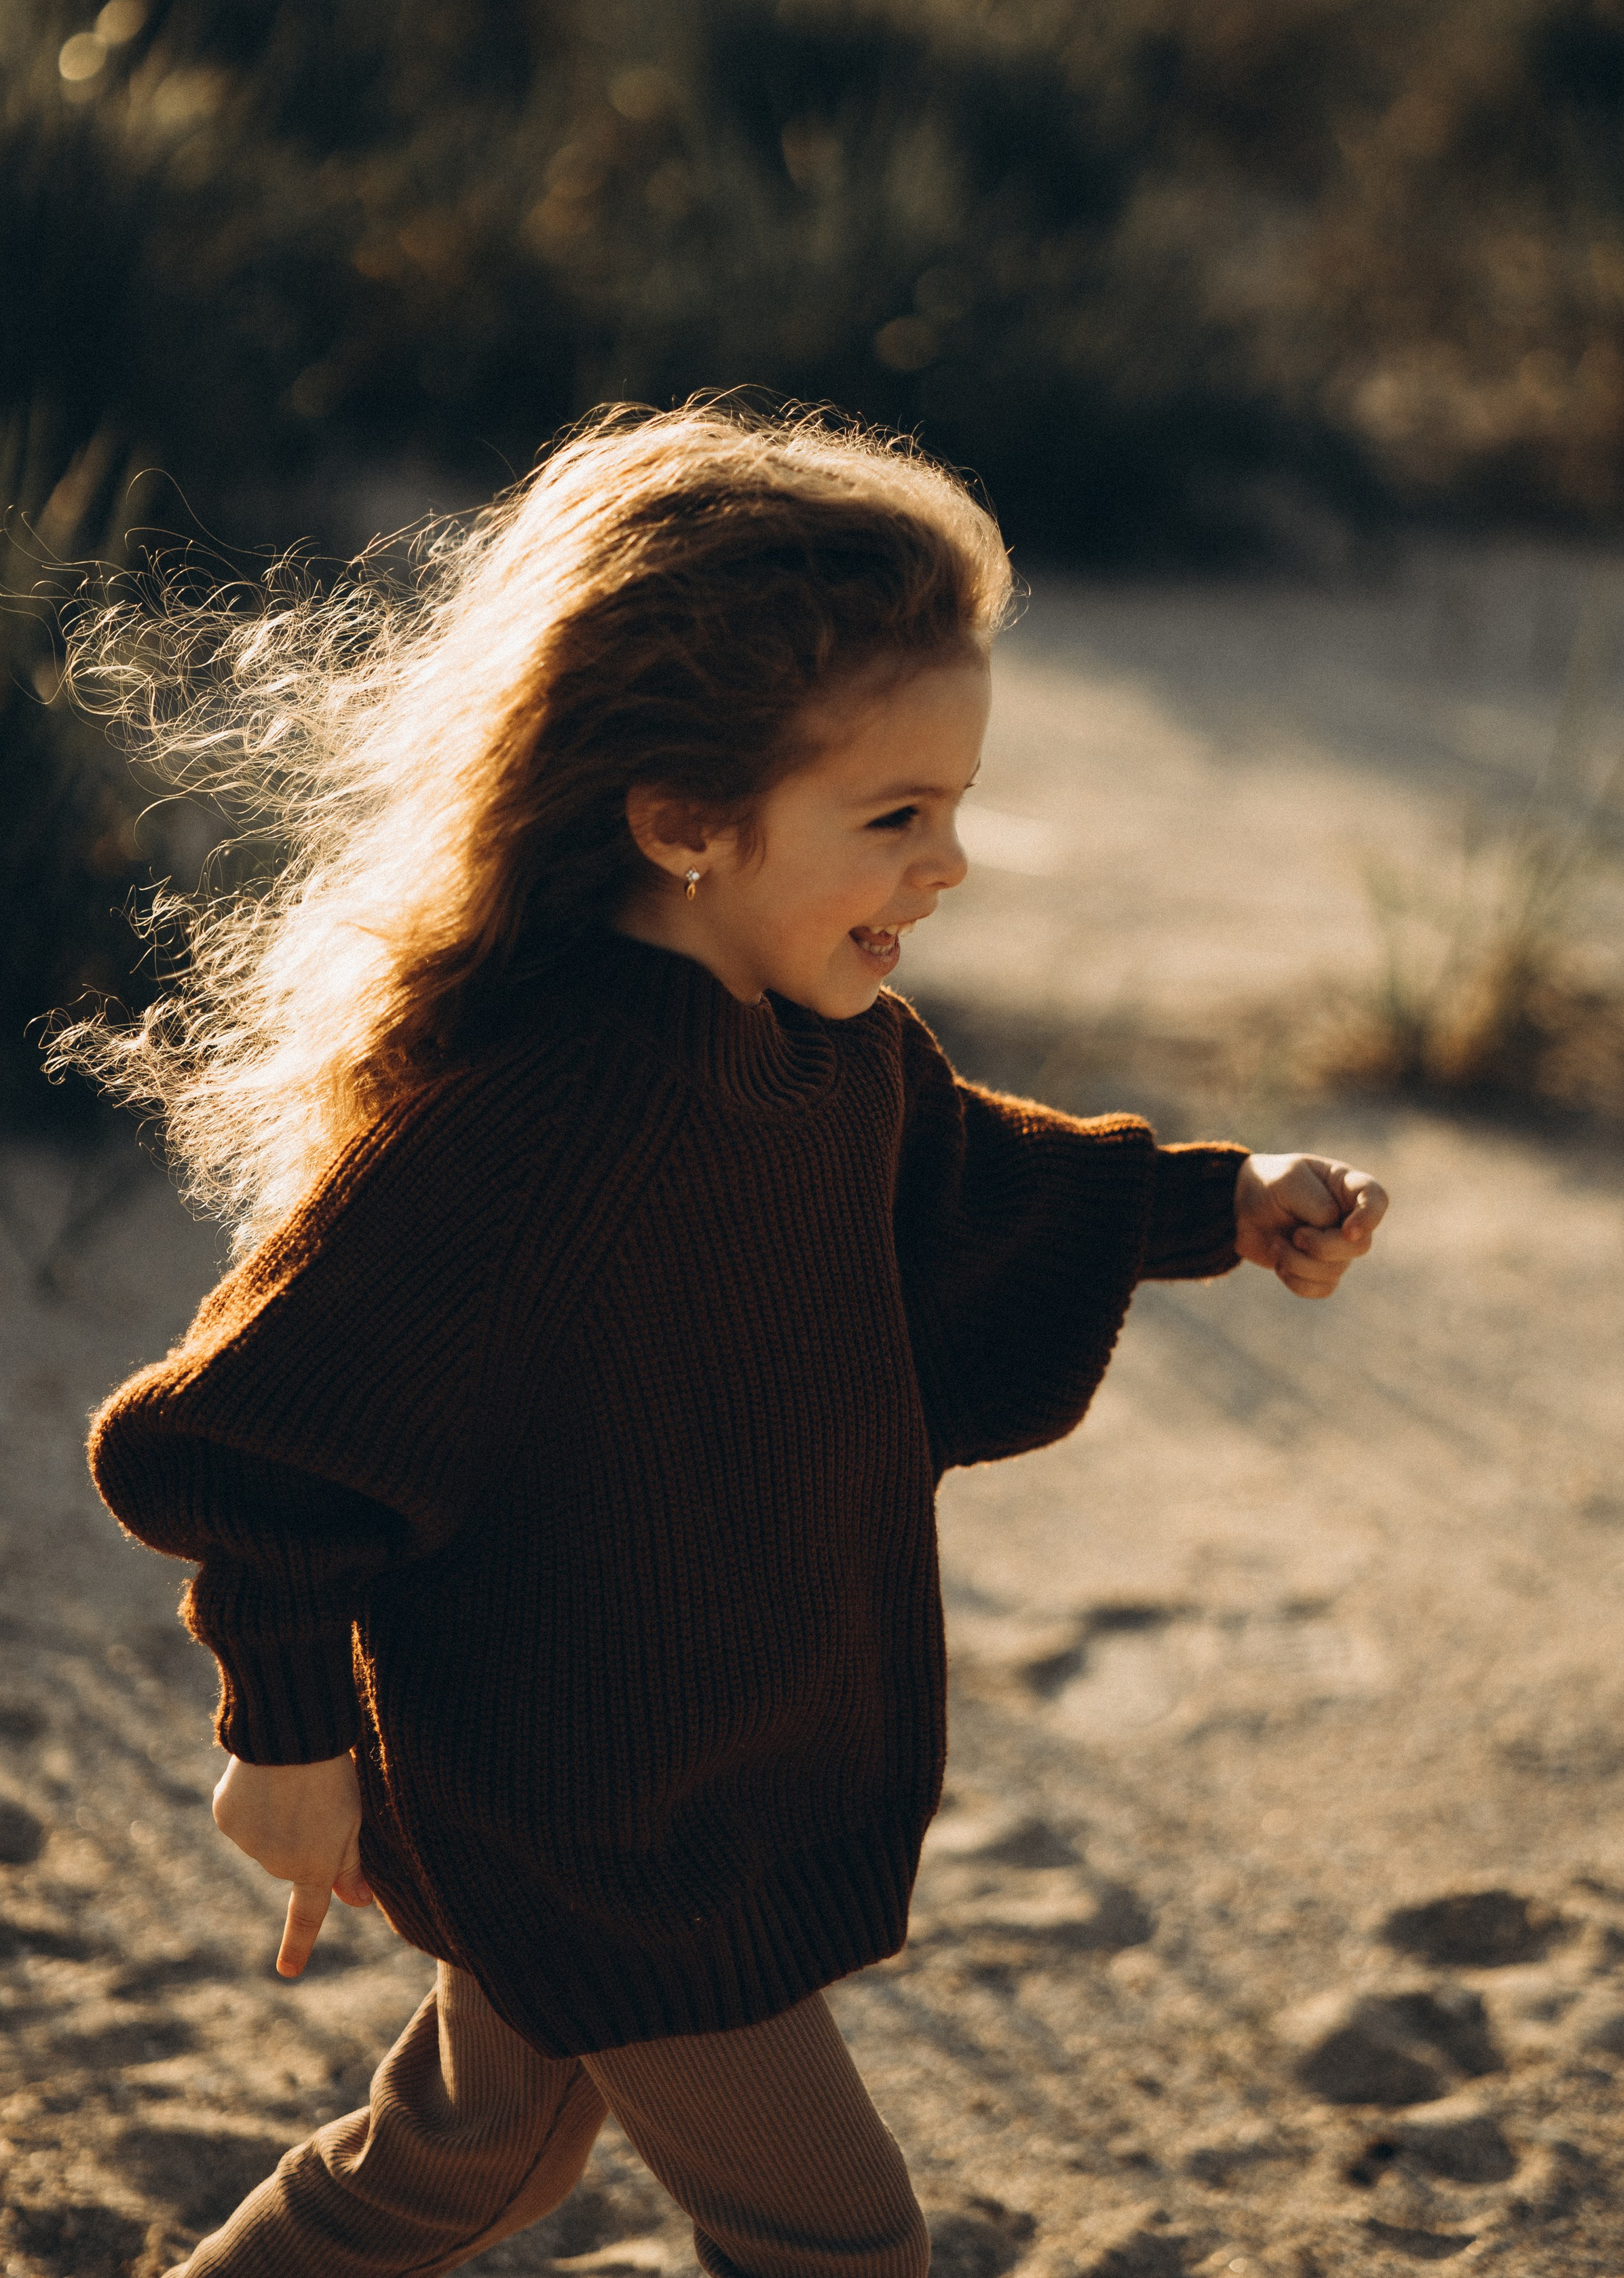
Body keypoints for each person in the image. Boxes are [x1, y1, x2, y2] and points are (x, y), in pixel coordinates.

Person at [75, 404, 1387, 2278]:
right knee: (842, 2244)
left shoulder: (827, 1055)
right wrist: (286, 1740)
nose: (947, 867)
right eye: (895, 818)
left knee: (465, 2161)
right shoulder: (538, 1126)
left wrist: (1219, 1201)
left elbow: (963, 1185)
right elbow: (248, 1442)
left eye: (956, 810)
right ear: (686, 820)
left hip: (687, 1763)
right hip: (604, 1826)